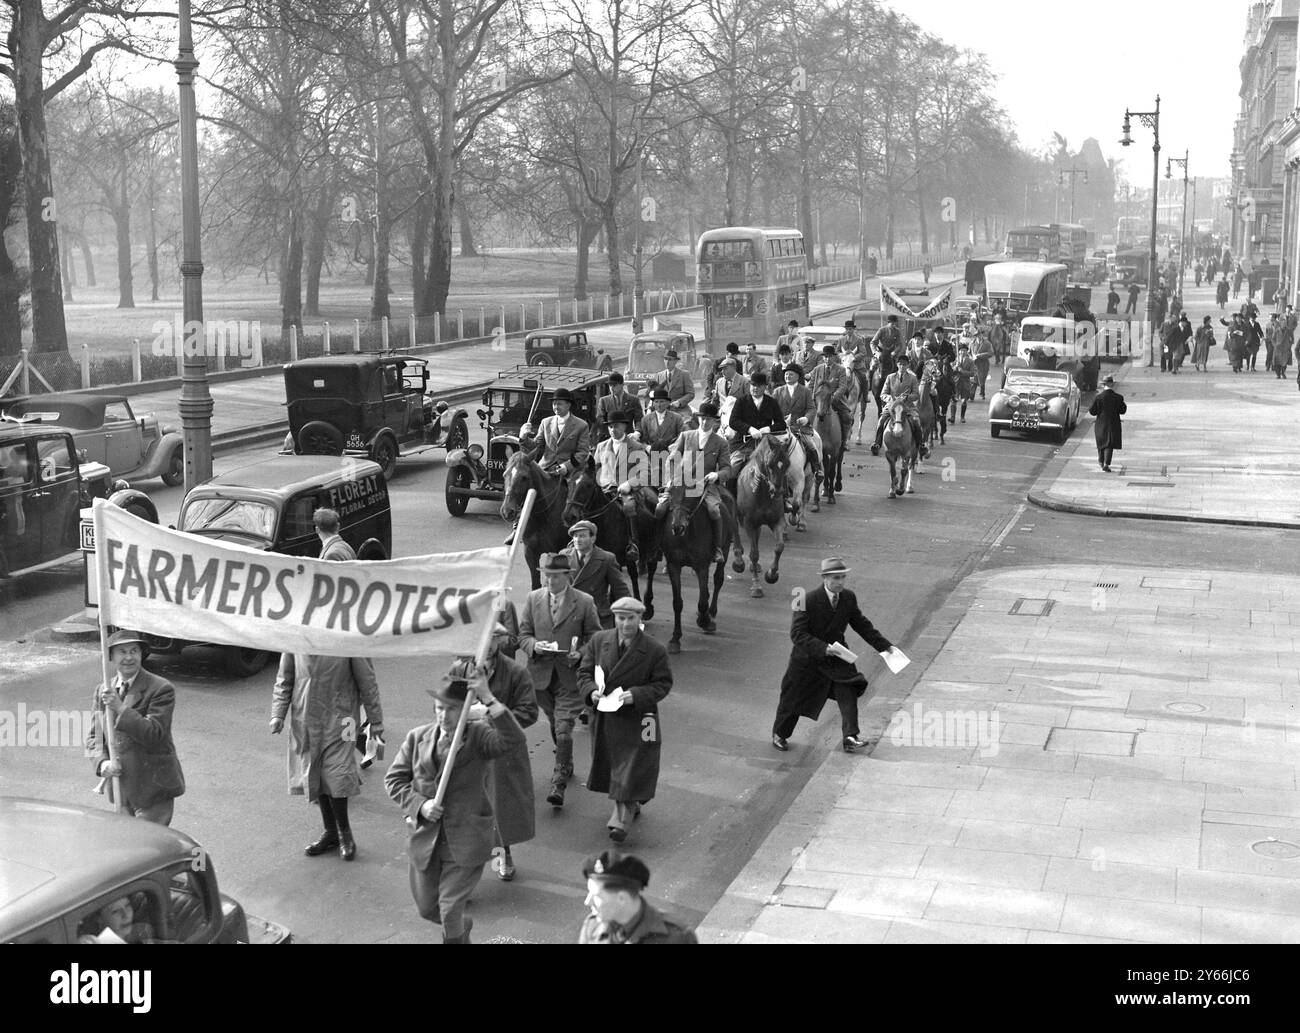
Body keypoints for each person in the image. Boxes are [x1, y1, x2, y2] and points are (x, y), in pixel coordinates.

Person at [384, 665, 525, 944]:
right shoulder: (417, 738)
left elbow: (514, 739)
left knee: (449, 908)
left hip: (467, 838)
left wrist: (488, 698)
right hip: (426, 840)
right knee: (428, 908)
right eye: (438, 708)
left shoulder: (480, 738)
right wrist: (420, 805)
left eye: (450, 709)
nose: (442, 715)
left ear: (465, 711)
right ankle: (461, 928)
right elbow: (394, 780)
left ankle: (455, 932)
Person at [771, 557, 896, 754]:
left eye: (843, 577)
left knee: (848, 690)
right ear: (825, 578)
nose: (840, 582)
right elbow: (797, 634)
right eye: (836, 578)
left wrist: (884, 646)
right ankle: (780, 734)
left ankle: (850, 736)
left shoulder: (848, 598)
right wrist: (823, 648)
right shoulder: (803, 598)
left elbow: (862, 625)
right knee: (792, 700)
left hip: (837, 657)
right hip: (807, 659)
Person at [271, 646, 384, 861]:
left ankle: (345, 834)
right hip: (305, 719)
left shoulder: (347, 640)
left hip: (345, 719)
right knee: (316, 774)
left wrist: (376, 720)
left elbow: (368, 682)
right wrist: (278, 714)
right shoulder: (294, 640)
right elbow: (284, 679)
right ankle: (330, 832)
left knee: (338, 774)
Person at [578, 596, 672, 843]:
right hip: (608, 716)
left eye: (631, 618)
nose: (626, 624)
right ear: (614, 618)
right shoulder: (599, 641)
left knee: (641, 759)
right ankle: (634, 799)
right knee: (617, 763)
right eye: (621, 618)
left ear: (640, 619)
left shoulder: (654, 650)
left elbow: (663, 684)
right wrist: (591, 691)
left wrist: (637, 695)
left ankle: (620, 819)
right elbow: (584, 672)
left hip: (644, 717)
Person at [517, 552, 602, 807]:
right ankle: (566, 760)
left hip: (570, 674)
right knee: (555, 722)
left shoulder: (584, 602)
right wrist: (534, 646)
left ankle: (559, 779)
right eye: (546, 576)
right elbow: (523, 634)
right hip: (541, 677)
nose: (550, 581)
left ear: (568, 577)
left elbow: (595, 637)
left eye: (555, 577)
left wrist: (582, 653)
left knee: (564, 727)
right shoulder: (533, 599)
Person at [87, 630, 185, 826]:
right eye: (122, 652)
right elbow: (95, 738)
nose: (129, 657)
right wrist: (102, 763)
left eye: (134, 651)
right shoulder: (103, 690)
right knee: (127, 846)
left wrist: (120, 708)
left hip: (153, 788)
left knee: (149, 847)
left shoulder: (161, 688)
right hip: (121, 787)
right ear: (111, 657)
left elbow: (154, 733)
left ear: (142, 655)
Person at [461, 634, 537, 883]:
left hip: (501, 749)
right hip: (468, 749)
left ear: (501, 641)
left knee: (499, 806)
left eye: (494, 639)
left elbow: (529, 712)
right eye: (484, 638)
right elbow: (444, 705)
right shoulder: (461, 669)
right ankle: (462, 868)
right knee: (464, 807)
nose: (488, 645)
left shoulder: (516, 672)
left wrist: (491, 718)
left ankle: (503, 852)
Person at [578, 850, 697, 944]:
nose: (587, 902)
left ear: (622, 899)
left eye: (596, 895)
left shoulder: (676, 937)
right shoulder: (592, 925)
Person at [662, 401, 730, 562]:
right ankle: (658, 545)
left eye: (709, 419)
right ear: (698, 419)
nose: (705, 422)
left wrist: (717, 475)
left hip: (705, 486)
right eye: (703, 418)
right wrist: (672, 479)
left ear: (715, 422)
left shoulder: (721, 443)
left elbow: (728, 469)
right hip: (681, 483)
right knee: (660, 508)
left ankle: (717, 548)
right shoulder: (686, 436)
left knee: (714, 510)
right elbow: (671, 460)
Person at [593, 411, 653, 561]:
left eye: (617, 426)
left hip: (627, 490)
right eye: (610, 427)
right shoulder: (601, 446)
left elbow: (646, 473)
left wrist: (629, 483)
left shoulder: (636, 447)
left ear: (625, 427)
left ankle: (633, 544)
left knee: (629, 507)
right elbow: (595, 469)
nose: (613, 430)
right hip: (605, 489)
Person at [564, 519, 631, 629]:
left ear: (593, 539)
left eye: (582, 536)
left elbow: (620, 589)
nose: (577, 540)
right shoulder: (563, 556)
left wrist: (630, 613)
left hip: (597, 618)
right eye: (575, 536)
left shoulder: (607, 559)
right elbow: (550, 585)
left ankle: (632, 543)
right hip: (567, 616)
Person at [519, 387, 591, 477]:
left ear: (568, 405)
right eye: (554, 404)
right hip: (545, 469)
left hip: (570, 472)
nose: (556, 407)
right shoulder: (545, 422)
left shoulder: (582, 425)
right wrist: (523, 437)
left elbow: (583, 453)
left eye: (559, 404)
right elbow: (536, 446)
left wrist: (566, 467)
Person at [728, 372, 787, 476]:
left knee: (782, 467)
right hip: (743, 443)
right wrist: (749, 429)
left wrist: (769, 429)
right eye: (753, 385)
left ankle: (784, 491)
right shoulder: (741, 401)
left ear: (765, 387)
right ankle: (729, 492)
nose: (755, 388)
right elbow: (733, 421)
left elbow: (781, 424)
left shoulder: (772, 402)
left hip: (765, 444)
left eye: (759, 386)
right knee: (732, 468)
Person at [872, 360, 928, 458]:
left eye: (904, 365)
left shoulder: (913, 378)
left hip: (908, 406)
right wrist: (891, 398)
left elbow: (916, 395)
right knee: (881, 421)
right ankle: (877, 443)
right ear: (897, 365)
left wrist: (907, 397)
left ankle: (921, 446)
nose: (902, 367)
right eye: (900, 364)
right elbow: (883, 394)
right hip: (892, 406)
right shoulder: (890, 377)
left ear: (907, 366)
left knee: (916, 421)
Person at [774, 365, 821, 480]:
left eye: (790, 374)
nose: (787, 376)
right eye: (786, 374)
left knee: (811, 445)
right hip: (780, 428)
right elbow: (771, 409)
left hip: (799, 428)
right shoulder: (777, 391)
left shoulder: (805, 391)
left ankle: (817, 470)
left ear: (797, 376)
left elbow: (811, 408)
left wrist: (806, 418)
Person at [806, 345, 853, 444]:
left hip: (834, 400)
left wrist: (834, 397)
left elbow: (842, 387)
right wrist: (811, 398)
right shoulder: (817, 369)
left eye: (829, 356)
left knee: (847, 418)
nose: (827, 359)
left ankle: (843, 441)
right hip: (817, 400)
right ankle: (805, 440)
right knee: (803, 417)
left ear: (834, 357)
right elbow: (810, 386)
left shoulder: (840, 369)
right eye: (825, 357)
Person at [77, 895, 156, 944]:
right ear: (99, 919)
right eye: (116, 911)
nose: (126, 915)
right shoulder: (93, 942)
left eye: (127, 905)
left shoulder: (143, 933)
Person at [1088, 375, 1126, 472]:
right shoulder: (1118, 397)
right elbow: (1123, 410)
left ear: (1103, 385)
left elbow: (1092, 412)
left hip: (1100, 424)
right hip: (1114, 424)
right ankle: (1106, 464)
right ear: (1112, 384)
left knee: (1101, 442)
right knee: (1110, 444)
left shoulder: (1098, 398)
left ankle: (1101, 460)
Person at [594, 372, 644, 440]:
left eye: (614, 385)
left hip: (628, 437)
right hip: (609, 437)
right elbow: (600, 419)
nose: (611, 388)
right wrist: (611, 431)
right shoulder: (604, 401)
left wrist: (637, 432)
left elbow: (639, 419)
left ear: (622, 384)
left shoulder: (633, 400)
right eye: (610, 385)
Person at [648, 350, 694, 414]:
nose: (667, 362)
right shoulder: (659, 375)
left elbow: (690, 394)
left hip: (680, 410)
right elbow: (654, 395)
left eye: (670, 359)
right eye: (665, 359)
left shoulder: (684, 375)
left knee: (686, 423)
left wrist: (679, 402)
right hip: (662, 410)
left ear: (675, 361)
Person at [969, 321, 993, 398]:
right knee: (974, 380)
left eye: (980, 334)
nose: (978, 336)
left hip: (983, 365)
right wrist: (971, 357)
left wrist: (980, 355)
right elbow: (969, 353)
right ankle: (972, 394)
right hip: (975, 364)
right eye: (977, 335)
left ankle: (982, 392)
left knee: (982, 379)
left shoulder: (987, 343)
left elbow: (991, 353)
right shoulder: (972, 343)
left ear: (982, 334)